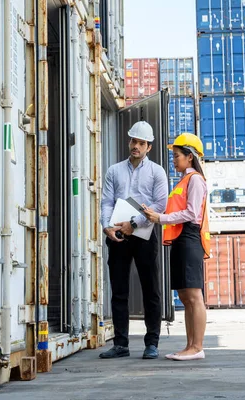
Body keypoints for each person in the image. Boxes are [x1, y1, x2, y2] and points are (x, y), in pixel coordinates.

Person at [99, 120, 168, 360]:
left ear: (149, 146)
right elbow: (107, 201)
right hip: (117, 236)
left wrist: (134, 224)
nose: (135, 146)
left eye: (141, 143)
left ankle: (152, 343)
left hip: (144, 236)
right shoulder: (114, 170)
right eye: (133, 141)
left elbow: (160, 205)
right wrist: (107, 226)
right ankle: (121, 344)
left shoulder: (157, 172)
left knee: (151, 289)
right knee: (119, 290)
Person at [143, 133, 210, 361]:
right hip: (181, 240)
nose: (174, 159)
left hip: (190, 238)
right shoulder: (183, 181)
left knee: (194, 295)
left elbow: (192, 213)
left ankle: (197, 346)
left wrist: (159, 218)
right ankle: (190, 346)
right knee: (184, 295)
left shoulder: (196, 181)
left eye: (177, 155)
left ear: (190, 157)